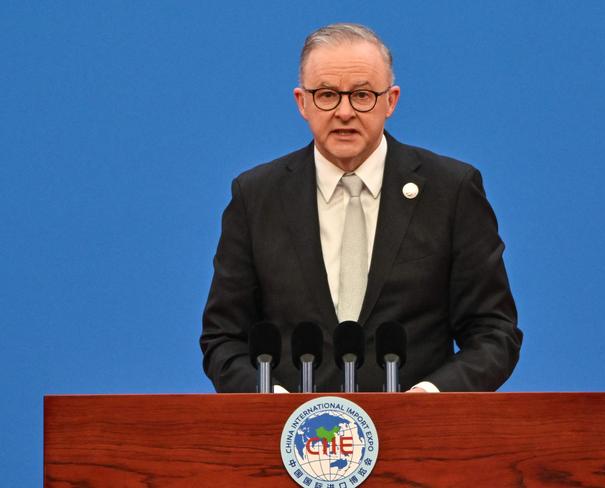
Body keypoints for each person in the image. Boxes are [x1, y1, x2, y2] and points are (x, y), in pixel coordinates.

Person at [201, 23, 522, 393]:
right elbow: (222, 340)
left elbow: (493, 333)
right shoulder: (256, 196)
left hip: (419, 437)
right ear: (301, 102)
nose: (344, 112)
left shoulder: (451, 191)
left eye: (362, 95)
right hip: (292, 443)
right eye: (326, 94)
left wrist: (431, 399)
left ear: (391, 100)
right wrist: (273, 406)